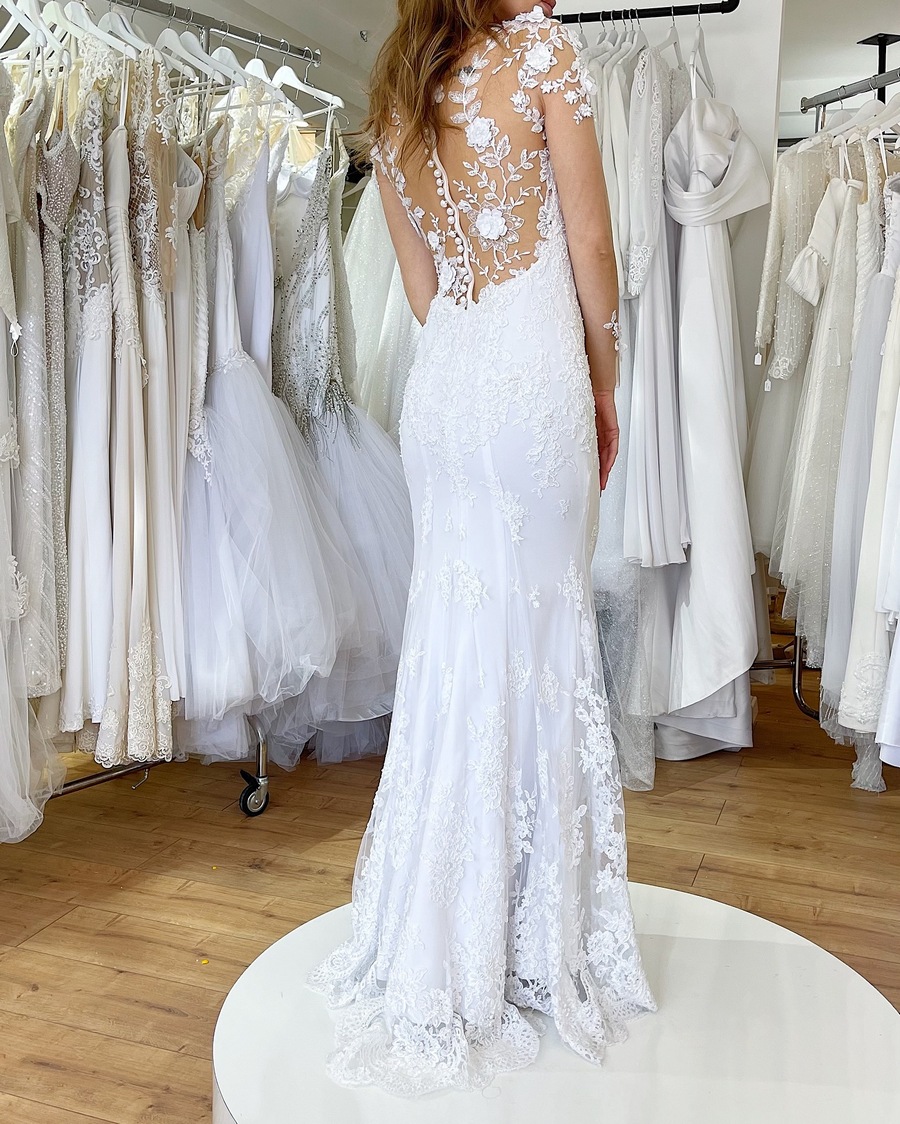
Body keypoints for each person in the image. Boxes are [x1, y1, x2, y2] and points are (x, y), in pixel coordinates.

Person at [308, 0, 656, 1096]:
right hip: (533, 380)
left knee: (456, 648)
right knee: (537, 646)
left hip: (450, 387)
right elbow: (591, 247)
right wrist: (605, 385)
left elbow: (421, 292)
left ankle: (447, 927)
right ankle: (525, 935)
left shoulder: (396, 94)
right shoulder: (545, 53)